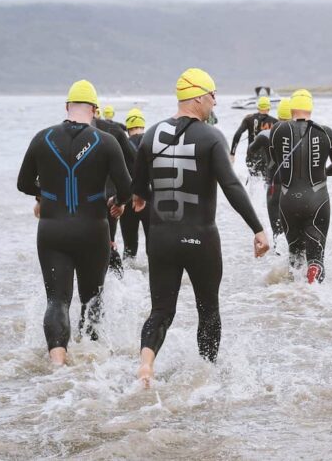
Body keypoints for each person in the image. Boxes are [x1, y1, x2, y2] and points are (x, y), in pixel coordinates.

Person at [132, 68, 269, 385]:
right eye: (212, 95)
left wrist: (137, 200)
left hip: (161, 239)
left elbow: (137, 189)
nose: (215, 102)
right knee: (208, 310)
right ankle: (207, 377)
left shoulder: (150, 135)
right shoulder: (210, 137)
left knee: (161, 311)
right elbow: (232, 187)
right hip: (200, 239)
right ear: (196, 97)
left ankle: (146, 367)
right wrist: (257, 228)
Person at [16, 80, 132, 365]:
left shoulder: (42, 138)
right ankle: (91, 364)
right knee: (93, 299)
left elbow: (23, 183)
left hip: (53, 230)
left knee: (57, 300)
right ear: (94, 110)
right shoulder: (106, 141)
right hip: (93, 230)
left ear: (67, 107)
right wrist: (117, 203)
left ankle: (57, 364)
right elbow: (127, 187)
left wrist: (47, 195)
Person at [259, 89, 332, 283]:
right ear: (310, 108)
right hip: (317, 199)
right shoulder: (326, 132)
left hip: (288, 199)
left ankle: (293, 297)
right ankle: (314, 286)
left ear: (292, 109)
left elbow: (276, 163)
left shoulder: (277, 131)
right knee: (316, 257)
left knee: (295, 256)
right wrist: (322, 173)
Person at [94, 106, 135, 276]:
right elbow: (134, 161)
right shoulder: (115, 130)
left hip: (81, 207)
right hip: (110, 199)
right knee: (109, 244)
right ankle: (119, 286)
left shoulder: (62, 134)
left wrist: (40, 200)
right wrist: (122, 200)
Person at [248, 98, 291, 246]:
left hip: (274, 188)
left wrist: (256, 166)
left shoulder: (265, 135)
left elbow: (251, 151)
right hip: (297, 188)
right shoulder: (304, 134)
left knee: (278, 236)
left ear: (278, 115)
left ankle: (278, 263)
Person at [118, 108, 150, 258]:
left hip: (128, 199)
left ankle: (128, 280)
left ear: (128, 127)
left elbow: (116, 176)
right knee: (153, 243)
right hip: (150, 198)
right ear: (143, 125)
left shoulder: (120, 146)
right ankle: (153, 277)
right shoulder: (152, 143)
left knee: (129, 247)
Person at [230, 96, 278, 178]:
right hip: (267, 157)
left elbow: (238, 134)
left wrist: (232, 153)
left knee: (253, 179)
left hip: (252, 155)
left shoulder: (248, 119)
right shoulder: (275, 122)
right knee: (266, 181)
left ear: (258, 107)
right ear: (269, 107)